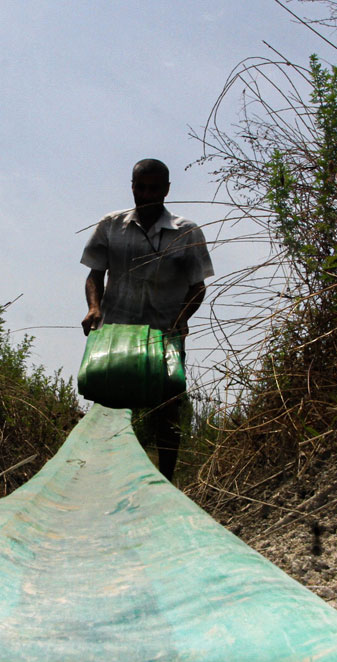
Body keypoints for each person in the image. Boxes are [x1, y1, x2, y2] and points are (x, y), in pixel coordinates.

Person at [80, 158, 214, 482]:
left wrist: (181, 320)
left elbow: (198, 288)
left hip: (163, 336)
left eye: (155, 188)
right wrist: (94, 308)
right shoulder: (111, 225)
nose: (147, 194)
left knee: (167, 412)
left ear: (167, 190)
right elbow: (95, 275)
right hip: (115, 335)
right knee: (108, 411)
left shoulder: (186, 232)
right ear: (132, 187)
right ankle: (105, 480)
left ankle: (165, 483)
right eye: (141, 187)